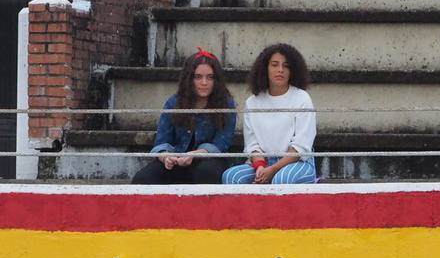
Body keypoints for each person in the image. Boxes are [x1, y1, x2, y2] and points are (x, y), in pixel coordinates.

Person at [133, 49, 236, 186]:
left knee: (206, 172)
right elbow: (162, 141)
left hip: (208, 160)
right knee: (143, 178)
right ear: (189, 78)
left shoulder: (226, 104)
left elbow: (222, 143)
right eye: (198, 77)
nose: (204, 82)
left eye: (210, 77)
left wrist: (195, 154)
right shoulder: (174, 103)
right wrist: (166, 157)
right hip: (176, 159)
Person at [222, 43, 317, 185]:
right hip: (262, 164)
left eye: (286, 66)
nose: (280, 70)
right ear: (265, 68)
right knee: (231, 176)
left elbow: (301, 146)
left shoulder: (302, 98)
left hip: (298, 163)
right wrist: (260, 166)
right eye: (274, 65)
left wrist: (273, 169)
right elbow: (252, 145)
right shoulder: (252, 102)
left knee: (282, 179)